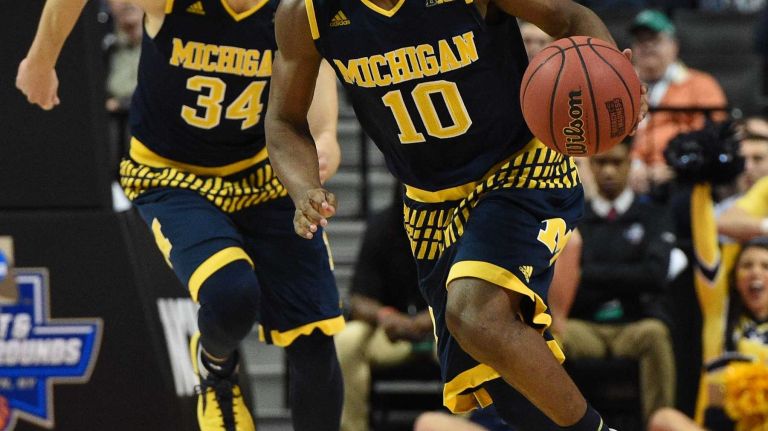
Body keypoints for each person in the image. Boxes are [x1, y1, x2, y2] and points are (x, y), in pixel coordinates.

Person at [264, 0, 646, 429]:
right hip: (430, 204)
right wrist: (303, 187)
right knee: (503, 381)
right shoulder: (306, 13)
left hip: (518, 169)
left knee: (475, 314)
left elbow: (569, 16)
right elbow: (283, 119)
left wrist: (613, 78)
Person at [15, 0, 344, 430]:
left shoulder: (292, 10)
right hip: (174, 175)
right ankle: (216, 368)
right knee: (231, 296)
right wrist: (42, 58)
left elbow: (314, 77)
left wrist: (327, 139)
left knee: (316, 343)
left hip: (262, 174)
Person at [555, 139, 677, 421]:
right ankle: (556, 424)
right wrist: (628, 274)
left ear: (630, 163)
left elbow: (655, 276)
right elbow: (564, 280)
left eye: (616, 163)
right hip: (585, 327)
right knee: (549, 340)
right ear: (590, 166)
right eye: (600, 163)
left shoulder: (653, 215)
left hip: (634, 326)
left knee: (656, 334)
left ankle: (661, 423)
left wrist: (588, 273)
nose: (608, 171)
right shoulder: (574, 217)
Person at [335, 183, 434, 431]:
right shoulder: (381, 226)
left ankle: (470, 425)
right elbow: (358, 299)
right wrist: (385, 316)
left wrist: (431, 317)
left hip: (442, 331)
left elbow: (467, 296)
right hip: (390, 333)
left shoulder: (454, 225)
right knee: (346, 339)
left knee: (477, 334)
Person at [646, 238, 768, 431]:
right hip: (722, 425)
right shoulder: (720, 320)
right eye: (746, 265)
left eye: (765, 266)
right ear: (735, 278)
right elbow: (706, 251)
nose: (755, 271)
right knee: (663, 419)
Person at [627, 9, 728, 194]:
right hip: (624, 175)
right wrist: (632, 163)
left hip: (681, 179)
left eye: (655, 40)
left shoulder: (701, 85)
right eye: (641, 40)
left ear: (674, 45)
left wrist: (677, 163)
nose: (647, 46)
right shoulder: (618, 87)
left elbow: (715, 137)